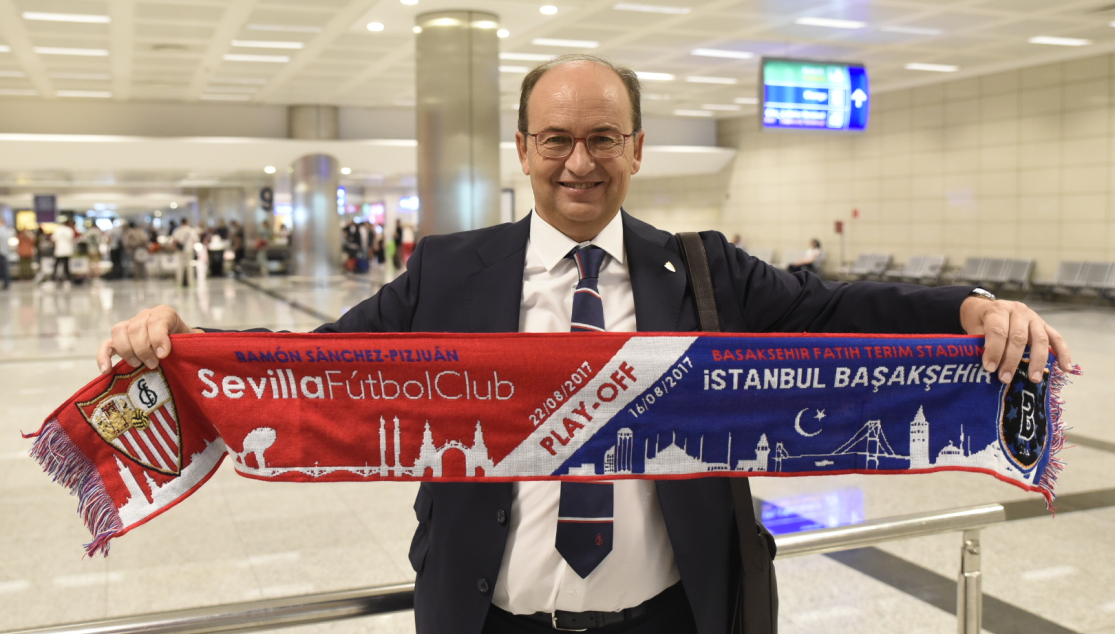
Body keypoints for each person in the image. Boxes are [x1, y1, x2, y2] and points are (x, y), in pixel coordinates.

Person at [98, 55, 1071, 634]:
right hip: (487, 614)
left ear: (637, 149)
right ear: (520, 148)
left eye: (602, 138)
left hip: (667, 614)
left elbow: (834, 309)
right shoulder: (450, 273)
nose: (578, 161)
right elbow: (322, 369)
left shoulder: (702, 270)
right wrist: (195, 346)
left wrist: (968, 308)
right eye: (556, 138)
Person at [171, 219, 200, 287]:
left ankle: (179, 282)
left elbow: (175, 241)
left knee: (180, 266)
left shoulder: (178, 230)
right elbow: (195, 241)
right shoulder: (191, 230)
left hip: (180, 250)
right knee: (189, 266)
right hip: (189, 250)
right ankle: (191, 282)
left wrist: (174, 249)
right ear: (187, 222)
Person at [49, 218, 76, 284]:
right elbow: (72, 239)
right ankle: (67, 277)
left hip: (59, 250)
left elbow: (53, 239)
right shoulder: (70, 230)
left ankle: (54, 276)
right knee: (66, 265)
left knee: (57, 264)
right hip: (67, 250)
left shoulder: (58, 229)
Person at [0, 215, 12, 290]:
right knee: (5, 268)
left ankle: (6, 283)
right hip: (5, 252)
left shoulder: (0, 230)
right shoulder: (6, 230)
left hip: (1, 252)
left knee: (3, 269)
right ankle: (6, 283)